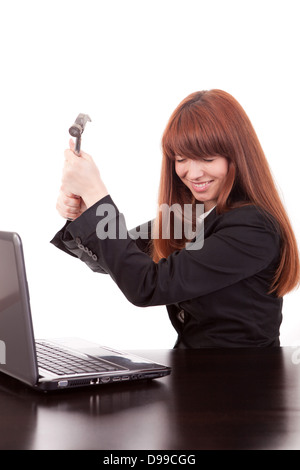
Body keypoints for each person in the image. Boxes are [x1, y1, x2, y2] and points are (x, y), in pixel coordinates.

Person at [51, 89, 300, 348]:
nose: (193, 173)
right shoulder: (188, 216)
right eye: (181, 159)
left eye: (207, 158)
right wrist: (85, 213)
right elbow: (118, 260)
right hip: (190, 373)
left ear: (236, 156)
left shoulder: (254, 227)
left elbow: (145, 285)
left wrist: (95, 193)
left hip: (241, 380)